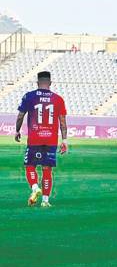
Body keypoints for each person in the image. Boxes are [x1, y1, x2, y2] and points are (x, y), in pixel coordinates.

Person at [14, 71, 68, 207]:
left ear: (37, 83)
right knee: (47, 169)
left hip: (34, 138)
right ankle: (45, 201)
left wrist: (17, 130)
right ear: (50, 83)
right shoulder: (58, 99)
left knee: (30, 166)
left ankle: (35, 188)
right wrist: (64, 140)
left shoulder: (29, 96)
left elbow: (20, 116)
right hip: (51, 140)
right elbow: (62, 122)